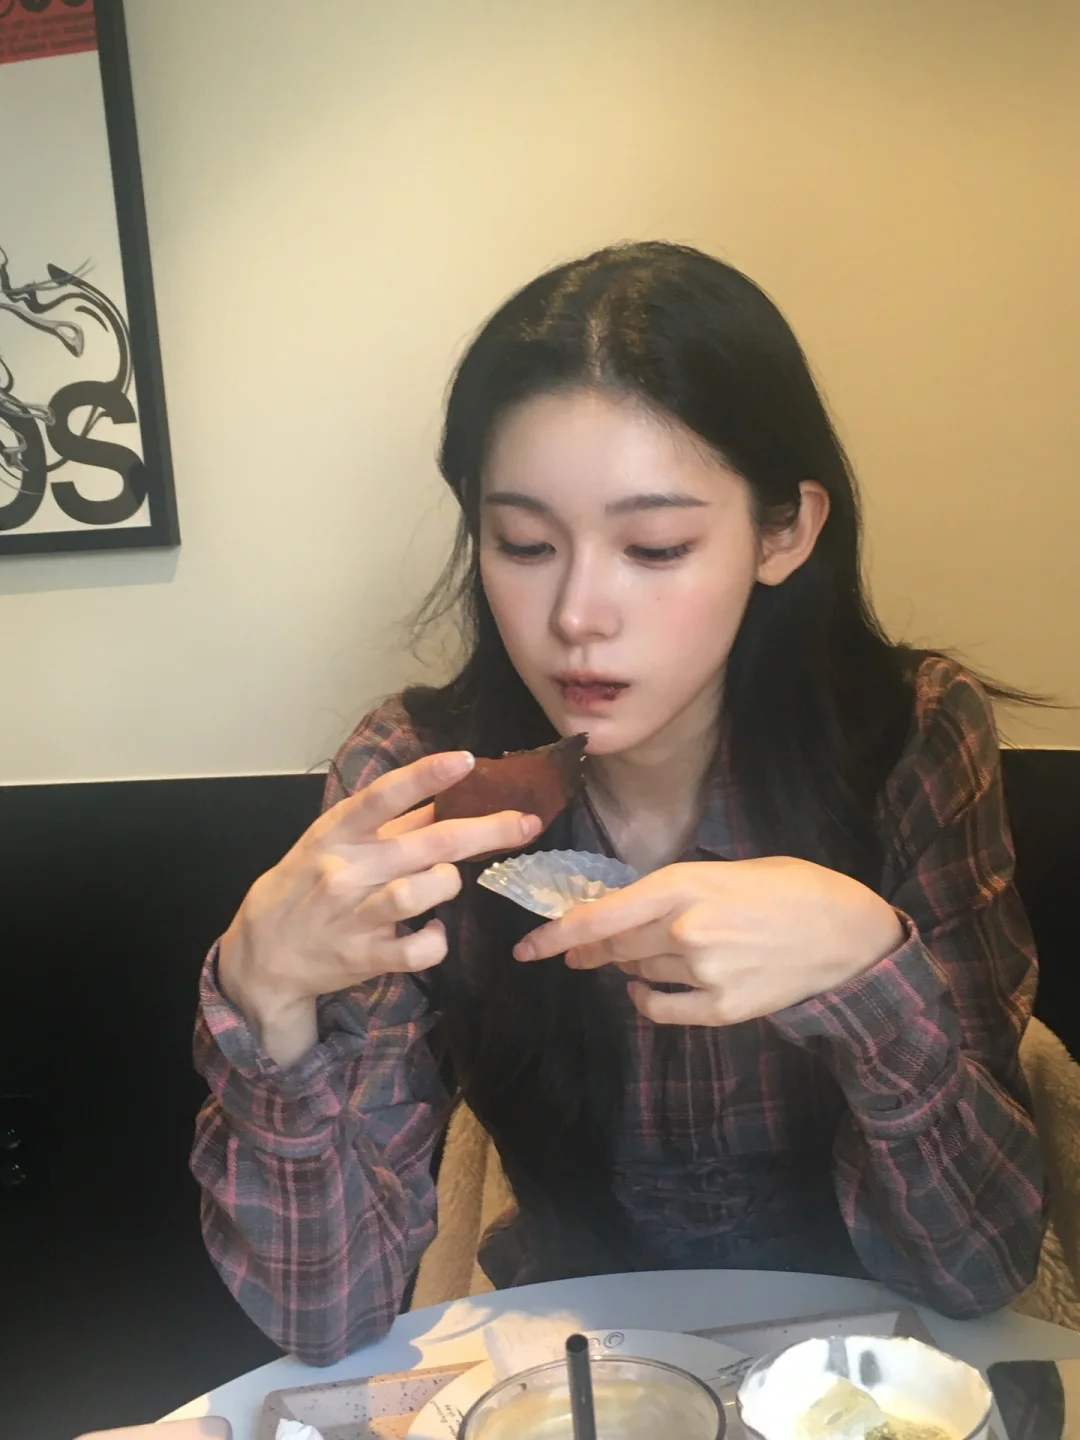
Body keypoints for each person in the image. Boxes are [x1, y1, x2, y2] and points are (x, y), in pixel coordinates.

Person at [191, 242, 1046, 1366]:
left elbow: (977, 1269)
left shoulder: (909, 741)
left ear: (783, 532)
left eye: (655, 546)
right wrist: (268, 1006)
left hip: (874, 1369)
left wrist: (866, 970)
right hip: (581, 1365)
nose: (578, 615)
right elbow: (325, 1318)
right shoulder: (423, 781)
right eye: (524, 543)